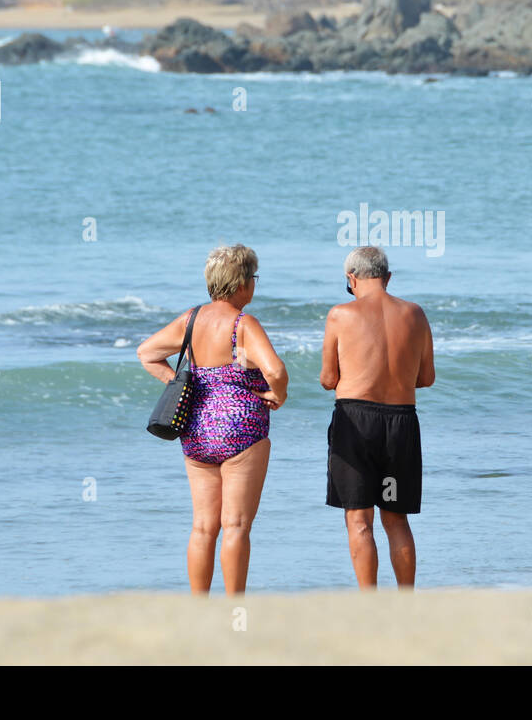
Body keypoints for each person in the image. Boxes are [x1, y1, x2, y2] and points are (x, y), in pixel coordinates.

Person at [137, 244, 288, 595]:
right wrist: (278, 395)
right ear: (241, 285)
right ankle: (234, 606)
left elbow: (147, 353)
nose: (254, 284)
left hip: (197, 430)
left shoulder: (190, 319)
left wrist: (179, 386)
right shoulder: (243, 323)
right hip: (242, 431)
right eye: (253, 278)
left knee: (203, 527)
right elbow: (276, 370)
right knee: (235, 525)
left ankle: (199, 607)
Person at [320, 245, 435, 589]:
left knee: (359, 520)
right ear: (387, 277)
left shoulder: (341, 314)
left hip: (355, 422)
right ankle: (405, 601)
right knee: (396, 519)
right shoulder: (415, 314)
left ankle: (370, 604)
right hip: (401, 424)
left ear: (351, 278)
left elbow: (328, 379)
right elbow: (426, 379)